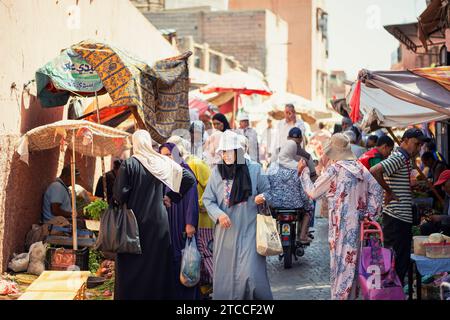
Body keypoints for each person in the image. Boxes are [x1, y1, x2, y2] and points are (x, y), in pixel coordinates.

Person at [112, 130, 196, 300]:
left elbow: (119, 195)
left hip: (133, 225)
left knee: (130, 266)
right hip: (158, 224)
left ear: (135, 144)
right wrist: (171, 197)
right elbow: (188, 178)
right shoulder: (161, 162)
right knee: (157, 267)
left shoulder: (129, 164)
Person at [298, 133, 383, 300]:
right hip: (357, 227)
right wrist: (368, 214)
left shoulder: (335, 170)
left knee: (340, 269)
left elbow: (313, 192)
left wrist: (304, 173)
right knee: (352, 267)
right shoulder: (360, 168)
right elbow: (378, 191)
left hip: (339, 228)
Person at [202, 130, 273, 300]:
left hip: (250, 230)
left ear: (238, 151)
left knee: (250, 273)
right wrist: (218, 214)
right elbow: (208, 199)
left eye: (229, 151)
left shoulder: (255, 169)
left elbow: (269, 192)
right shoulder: (217, 173)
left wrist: (262, 197)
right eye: (223, 151)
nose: (225, 155)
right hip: (226, 232)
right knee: (226, 273)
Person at [370, 128, 430, 285]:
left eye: (420, 145)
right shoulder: (399, 157)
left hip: (399, 218)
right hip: (396, 219)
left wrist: (405, 188)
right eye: (416, 144)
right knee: (396, 264)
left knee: (398, 263)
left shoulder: (403, 158)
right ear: (405, 141)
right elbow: (375, 170)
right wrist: (389, 191)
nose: (418, 149)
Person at [159, 142, 200, 300]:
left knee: (186, 261)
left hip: (183, 221)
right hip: (170, 220)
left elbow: (192, 199)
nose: (166, 158)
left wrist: (190, 223)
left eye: (168, 154)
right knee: (175, 260)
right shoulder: (166, 172)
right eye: (162, 155)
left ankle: (188, 297)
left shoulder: (185, 171)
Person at [264, 140, 314, 244]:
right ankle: (302, 236)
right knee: (309, 210)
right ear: (293, 152)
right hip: (295, 204)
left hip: (275, 204)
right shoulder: (298, 167)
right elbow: (302, 190)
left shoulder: (272, 167)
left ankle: (270, 234)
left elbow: (266, 186)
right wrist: (307, 203)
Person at [420, 170, 450, 236]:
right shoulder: (447, 196)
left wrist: (440, 217)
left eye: (443, 185)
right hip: (446, 224)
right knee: (425, 227)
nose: (442, 188)